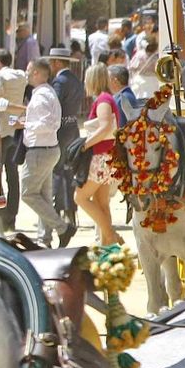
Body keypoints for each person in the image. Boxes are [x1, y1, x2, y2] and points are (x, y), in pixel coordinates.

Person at [19, 59, 70, 246]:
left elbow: (50, 124)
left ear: (38, 73)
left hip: (40, 151)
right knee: (44, 196)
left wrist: (26, 124)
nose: (27, 72)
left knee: (28, 193)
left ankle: (62, 227)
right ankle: (45, 238)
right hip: (46, 149)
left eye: (29, 69)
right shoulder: (46, 93)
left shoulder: (42, 95)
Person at [73, 64, 122, 248]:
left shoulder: (103, 100)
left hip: (101, 156)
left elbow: (105, 127)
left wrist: (84, 145)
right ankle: (107, 249)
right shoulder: (107, 98)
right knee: (101, 203)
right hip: (108, 156)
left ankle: (111, 235)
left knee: (80, 197)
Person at [0, 48, 29, 235]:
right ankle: (12, 216)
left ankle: (0, 215)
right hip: (14, 124)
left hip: (0, 126)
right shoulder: (20, 75)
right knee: (13, 175)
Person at [48, 46, 86, 236]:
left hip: (61, 129)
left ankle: (59, 207)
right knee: (69, 169)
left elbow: (54, 106)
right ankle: (70, 207)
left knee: (58, 169)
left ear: (56, 63)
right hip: (73, 127)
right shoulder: (76, 80)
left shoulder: (59, 82)